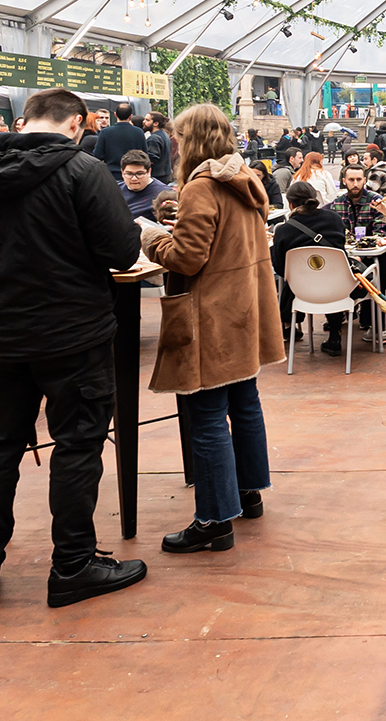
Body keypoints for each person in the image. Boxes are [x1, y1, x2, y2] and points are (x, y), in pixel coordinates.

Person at [0, 87, 148, 613]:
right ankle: (72, 566)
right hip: (73, 334)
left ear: (22, 119)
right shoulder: (83, 171)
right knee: (78, 445)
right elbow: (122, 250)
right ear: (76, 123)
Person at [137, 103, 284, 555]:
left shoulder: (202, 186)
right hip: (246, 311)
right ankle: (248, 493)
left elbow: (187, 259)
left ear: (194, 139)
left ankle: (214, 520)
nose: (175, 143)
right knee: (244, 403)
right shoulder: (246, 178)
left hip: (212, 317)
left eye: (180, 135)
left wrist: (151, 237)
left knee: (204, 417)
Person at [271, 181, 356, 356]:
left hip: (302, 292)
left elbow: (281, 269)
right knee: (329, 276)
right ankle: (335, 335)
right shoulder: (334, 219)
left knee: (302, 279)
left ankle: (289, 326)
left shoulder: (284, 230)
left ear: (291, 204)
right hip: (339, 288)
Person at [89, 101, 151, 180]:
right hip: (133, 174)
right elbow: (144, 154)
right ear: (130, 116)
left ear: (115, 115)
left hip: (112, 174)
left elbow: (98, 155)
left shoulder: (105, 132)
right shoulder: (139, 132)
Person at [117, 150, 173, 218]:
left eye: (139, 174)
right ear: (122, 172)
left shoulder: (164, 194)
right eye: (129, 174)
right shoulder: (115, 190)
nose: (134, 178)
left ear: (149, 172)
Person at [144, 112, 173, 182]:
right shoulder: (164, 135)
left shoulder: (154, 138)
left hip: (157, 176)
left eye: (147, 120)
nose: (144, 122)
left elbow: (152, 158)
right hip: (165, 174)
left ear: (156, 123)